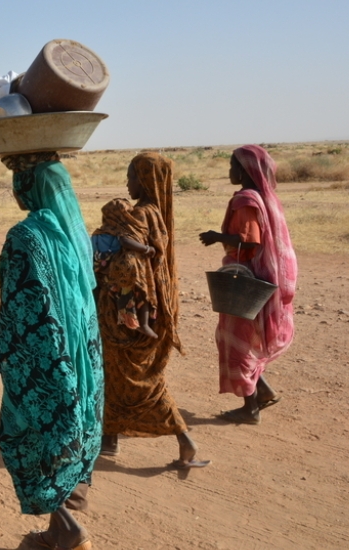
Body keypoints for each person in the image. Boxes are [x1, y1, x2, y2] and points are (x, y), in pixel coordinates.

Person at [0, 152, 103, 550]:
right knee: (71, 436)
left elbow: (19, 308)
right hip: (84, 358)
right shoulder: (74, 232)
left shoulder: (26, 236)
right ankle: (55, 531)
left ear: (27, 186)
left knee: (27, 439)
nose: (15, 188)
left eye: (20, 179)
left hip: (44, 361)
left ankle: (68, 528)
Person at [98, 153, 209, 469]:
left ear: (145, 180)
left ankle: (183, 439)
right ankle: (109, 438)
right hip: (149, 310)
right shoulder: (158, 214)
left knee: (138, 382)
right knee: (117, 377)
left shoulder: (139, 215)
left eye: (132, 176)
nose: (128, 183)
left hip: (127, 316)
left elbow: (126, 266)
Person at [199, 145, 297, 425]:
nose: (229, 171)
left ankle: (250, 409)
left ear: (243, 170)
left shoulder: (245, 200)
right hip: (262, 277)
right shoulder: (266, 198)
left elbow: (250, 240)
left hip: (245, 283)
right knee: (245, 338)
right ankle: (262, 391)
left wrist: (217, 236)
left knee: (237, 341)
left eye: (232, 166)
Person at [91, 197, 159, 339]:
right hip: (118, 274)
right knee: (139, 290)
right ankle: (142, 323)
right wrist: (147, 249)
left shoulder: (97, 234)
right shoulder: (121, 232)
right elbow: (125, 241)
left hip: (100, 272)